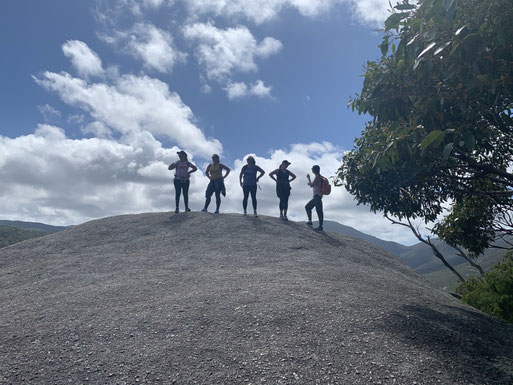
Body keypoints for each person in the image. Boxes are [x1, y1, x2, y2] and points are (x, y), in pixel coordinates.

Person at [305, 165, 324, 231]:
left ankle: (320, 226)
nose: (311, 169)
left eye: (312, 169)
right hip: (318, 196)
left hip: (317, 196)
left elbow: (311, 185)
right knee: (308, 207)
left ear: (314, 170)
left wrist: (308, 178)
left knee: (319, 210)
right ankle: (310, 221)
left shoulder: (317, 177)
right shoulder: (320, 176)